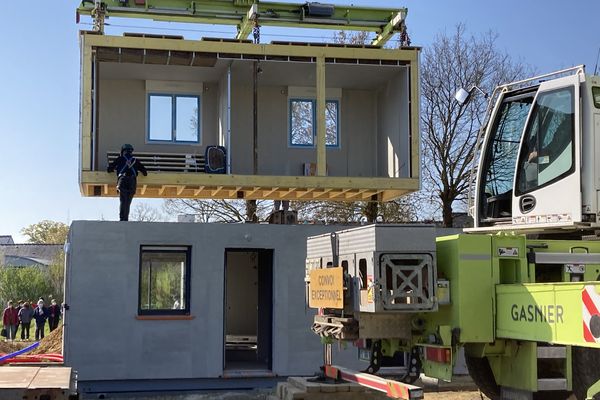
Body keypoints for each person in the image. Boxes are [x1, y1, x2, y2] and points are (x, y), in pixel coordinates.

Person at [107, 143, 148, 221]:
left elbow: (109, 169)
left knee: (123, 200)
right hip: (132, 181)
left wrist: (113, 169)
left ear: (123, 151)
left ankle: (122, 219)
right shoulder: (135, 160)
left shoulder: (120, 158)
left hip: (122, 180)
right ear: (131, 152)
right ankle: (126, 218)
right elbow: (145, 173)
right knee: (128, 201)